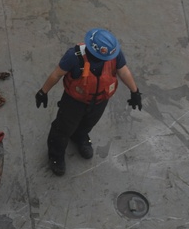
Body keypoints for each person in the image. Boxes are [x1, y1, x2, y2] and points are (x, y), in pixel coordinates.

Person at [35, 28, 142, 176]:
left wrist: (135, 91)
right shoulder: (73, 56)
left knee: (88, 123)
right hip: (74, 102)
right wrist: (43, 92)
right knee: (62, 129)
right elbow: (57, 74)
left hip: (100, 101)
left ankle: (80, 136)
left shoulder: (113, 54)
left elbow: (123, 71)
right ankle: (56, 155)